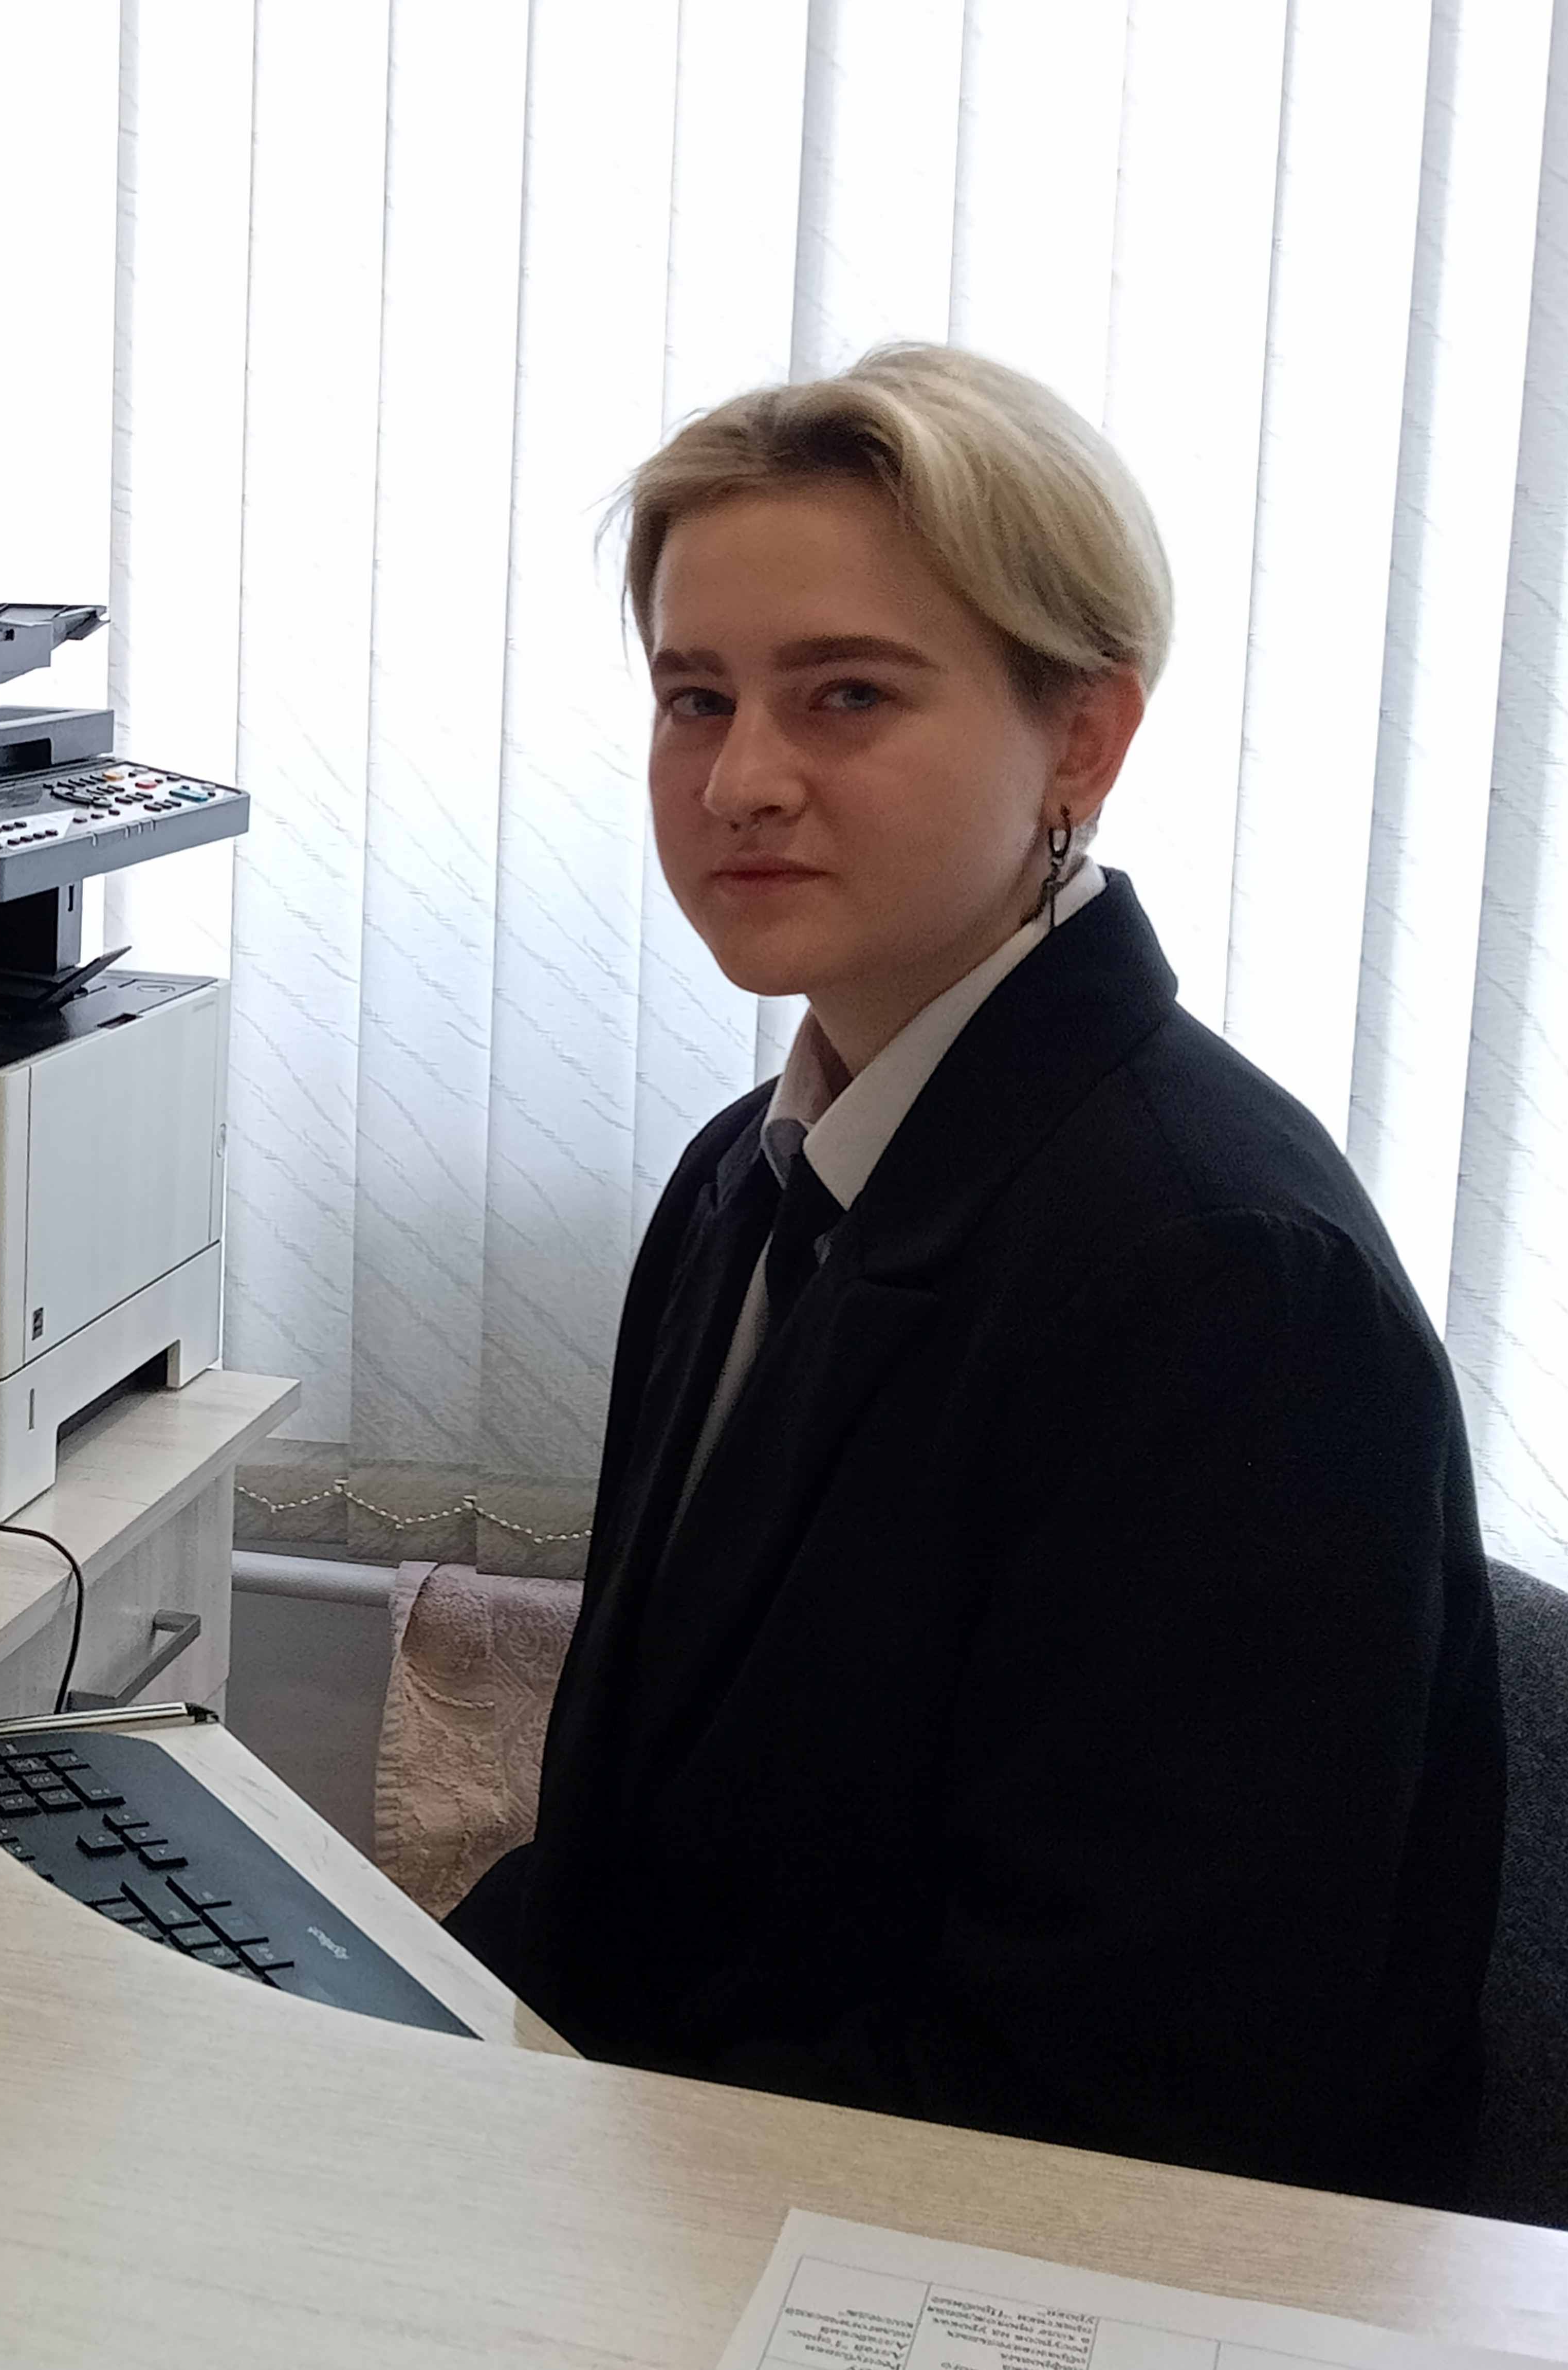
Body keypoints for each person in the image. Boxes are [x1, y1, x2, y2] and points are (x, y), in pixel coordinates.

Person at [445, 344, 1504, 2202]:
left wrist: (555, 2166)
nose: (740, 779)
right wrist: (362, 2024)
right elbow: (627, 1856)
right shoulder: (743, 1177)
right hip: (679, 2187)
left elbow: (1124, 2094)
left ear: (1079, 742)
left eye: (845, 695)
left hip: (963, 2268)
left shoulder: (1220, 1281)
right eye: (695, 698)